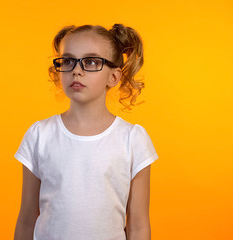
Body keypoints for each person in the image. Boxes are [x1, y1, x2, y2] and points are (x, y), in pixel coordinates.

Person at [14, 24, 159, 240]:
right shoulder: (39, 136)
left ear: (114, 77)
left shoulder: (132, 139)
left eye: (91, 62)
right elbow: (27, 218)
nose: (77, 70)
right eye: (69, 60)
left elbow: (138, 226)